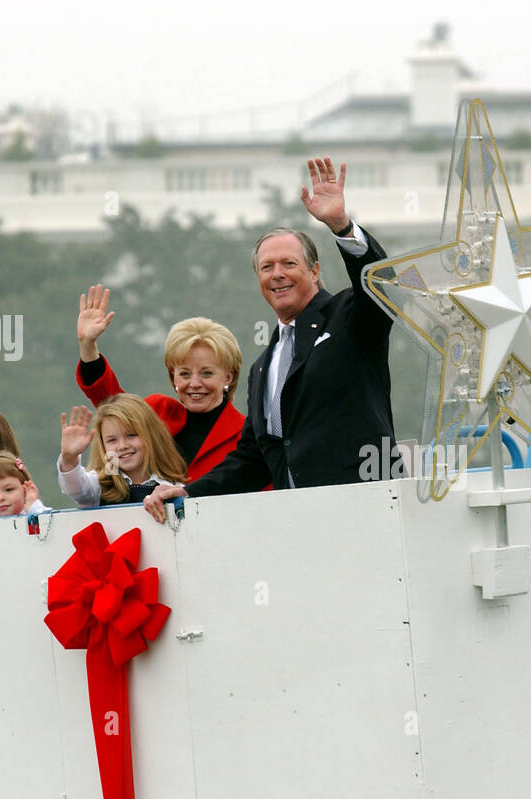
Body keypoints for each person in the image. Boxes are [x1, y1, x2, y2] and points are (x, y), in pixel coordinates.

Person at [143, 156, 398, 524]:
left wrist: (341, 227)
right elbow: (253, 461)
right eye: (267, 267)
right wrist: (188, 491)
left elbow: (380, 287)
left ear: (314, 271)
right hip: (296, 525)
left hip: (366, 511)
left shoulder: (348, 316)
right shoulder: (264, 366)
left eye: (289, 264)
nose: (278, 274)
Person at [75, 293, 245, 482]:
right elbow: (111, 404)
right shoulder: (158, 412)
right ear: (173, 377)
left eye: (207, 373)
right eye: (185, 374)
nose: (195, 384)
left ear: (228, 376)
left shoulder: (247, 435)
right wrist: (88, 346)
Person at [57, 394, 189, 507]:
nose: (122, 446)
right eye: (112, 440)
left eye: (131, 435)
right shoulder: (99, 488)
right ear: (103, 447)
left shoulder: (173, 489)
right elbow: (76, 488)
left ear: (151, 436)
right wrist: (69, 458)